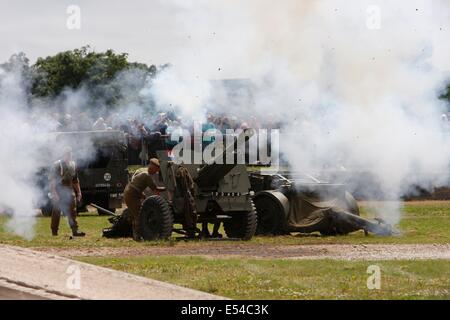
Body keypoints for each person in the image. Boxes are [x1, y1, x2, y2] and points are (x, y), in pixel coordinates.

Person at [124, 158, 164, 241]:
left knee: (135, 214)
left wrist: (141, 194)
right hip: (132, 195)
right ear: (152, 167)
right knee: (138, 215)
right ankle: (138, 237)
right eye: (156, 170)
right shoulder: (147, 175)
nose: (155, 173)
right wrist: (167, 188)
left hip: (129, 192)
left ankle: (136, 235)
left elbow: (133, 181)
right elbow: (155, 189)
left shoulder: (141, 170)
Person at [49, 147, 85, 237]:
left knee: (72, 211)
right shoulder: (57, 165)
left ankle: (75, 231)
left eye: (70, 153)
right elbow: (52, 181)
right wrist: (54, 193)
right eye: (67, 153)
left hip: (69, 190)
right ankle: (54, 231)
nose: (68, 155)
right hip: (59, 189)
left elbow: (75, 180)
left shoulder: (73, 165)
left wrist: (79, 192)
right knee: (56, 211)